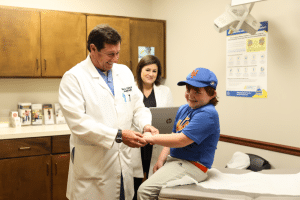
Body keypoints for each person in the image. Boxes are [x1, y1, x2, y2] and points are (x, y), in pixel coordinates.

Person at [59, 24, 159, 200]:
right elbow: (78, 123)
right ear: (93, 49)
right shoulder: (74, 78)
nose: (116, 59)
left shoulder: (124, 72)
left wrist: (146, 125)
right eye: (110, 54)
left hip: (122, 165)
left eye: (118, 53)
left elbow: (137, 106)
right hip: (94, 169)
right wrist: (119, 135)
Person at [137, 68, 220, 200]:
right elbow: (174, 134)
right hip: (176, 161)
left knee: (144, 191)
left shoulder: (208, 113)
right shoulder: (184, 109)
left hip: (193, 166)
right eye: (188, 90)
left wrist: (151, 138)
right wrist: (161, 159)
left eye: (197, 92)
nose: (190, 95)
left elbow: (181, 140)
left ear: (212, 94)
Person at [132, 55, 173, 200]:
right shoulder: (131, 89)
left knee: (152, 180)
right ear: (140, 70)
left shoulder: (165, 91)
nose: (151, 74)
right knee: (135, 180)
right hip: (135, 140)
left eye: (154, 71)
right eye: (147, 69)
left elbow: (168, 118)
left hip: (156, 140)